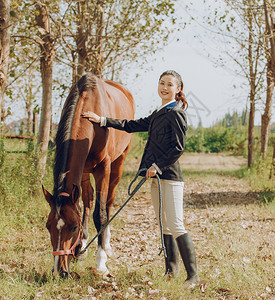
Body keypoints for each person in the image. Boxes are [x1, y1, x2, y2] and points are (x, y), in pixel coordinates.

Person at [82, 70, 200, 287]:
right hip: (156, 177)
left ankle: (192, 277)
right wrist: (103, 120)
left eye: (170, 85)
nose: (164, 87)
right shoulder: (160, 111)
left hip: (170, 177)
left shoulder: (176, 113)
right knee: (164, 224)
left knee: (176, 224)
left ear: (178, 89)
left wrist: (156, 166)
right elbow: (133, 125)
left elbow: (178, 148)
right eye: (162, 83)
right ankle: (171, 271)